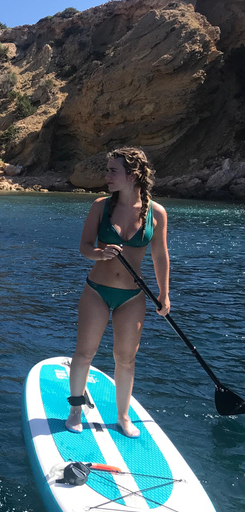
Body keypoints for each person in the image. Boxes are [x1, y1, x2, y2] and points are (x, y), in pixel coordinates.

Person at [66, 147, 169, 439]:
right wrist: (100, 253)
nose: (106, 176)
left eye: (113, 171)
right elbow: (85, 247)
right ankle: (76, 410)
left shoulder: (157, 213)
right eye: (107, 170)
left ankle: (123, 417)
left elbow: (160, 256)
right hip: (96, 291)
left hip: (132, 297)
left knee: (125, 358)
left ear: (133, 175)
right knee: (85, 352)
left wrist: (165, 294)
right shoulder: (100, 206)